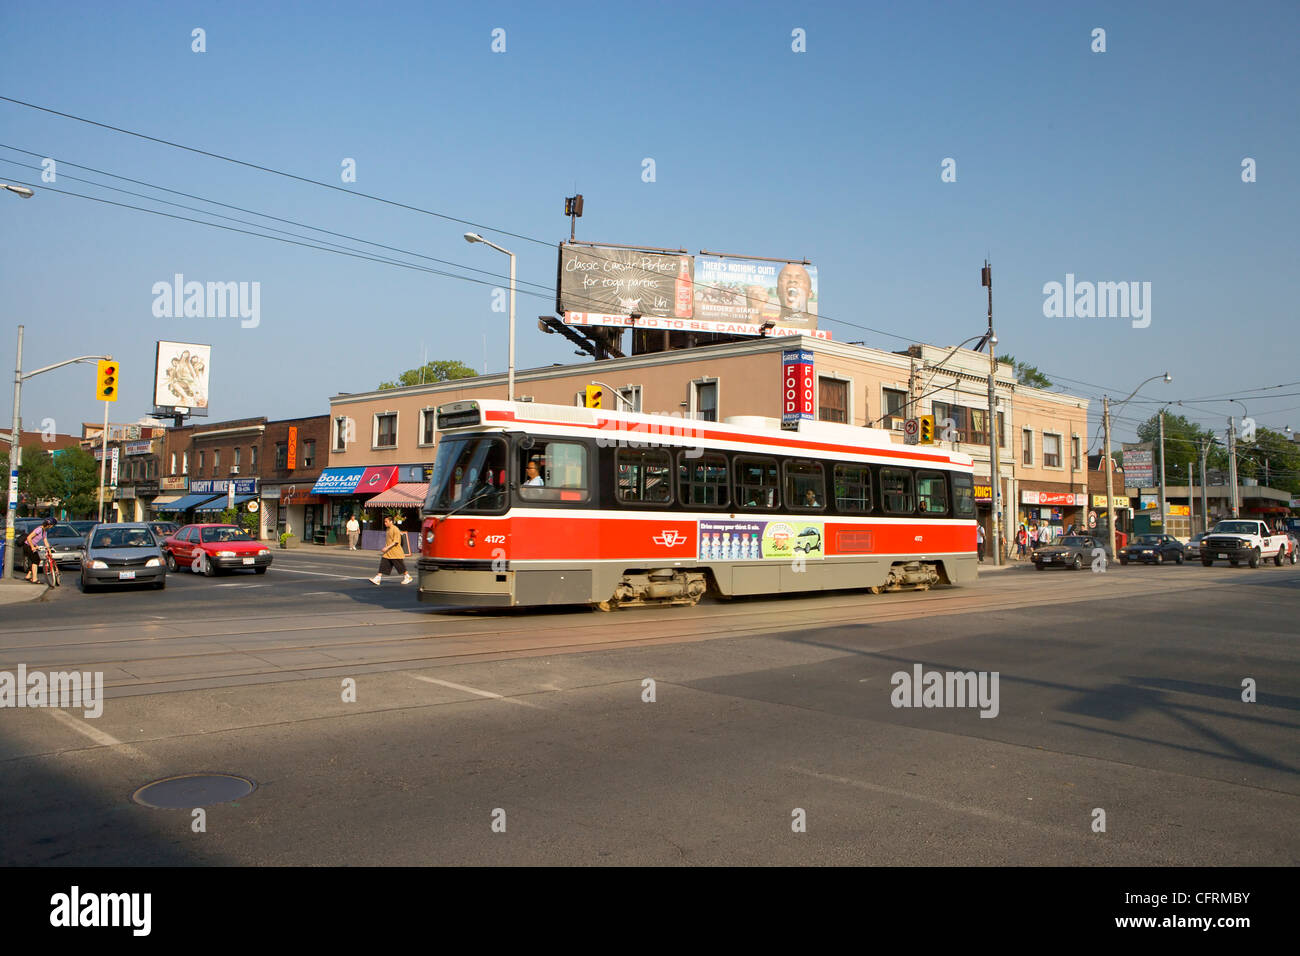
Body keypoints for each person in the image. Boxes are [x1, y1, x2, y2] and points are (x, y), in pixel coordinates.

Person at [369, 515, 412, 586]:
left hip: (395, 552)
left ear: (391, 522)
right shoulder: (388, 529)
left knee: (400, 566)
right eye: (384, 522)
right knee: (383, 563)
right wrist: (386, 548)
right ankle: (378, 578)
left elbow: (396, 541)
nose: (385, 523)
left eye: (386, 521)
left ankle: (408, 577)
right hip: (389, 552)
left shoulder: (395, 529)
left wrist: (386, 547)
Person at [24, 518, 54, 583]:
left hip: (31, 545)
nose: (52, 527)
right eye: (52, 525)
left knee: (35, 560)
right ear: (49, 525)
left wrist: (49, 551)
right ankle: (34, 579)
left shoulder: (44, 531)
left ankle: (28, 575)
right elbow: (28, 538)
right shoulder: (39, 529)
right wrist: (32, 547)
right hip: (27, 545)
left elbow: (45, 541)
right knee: (36, 560)